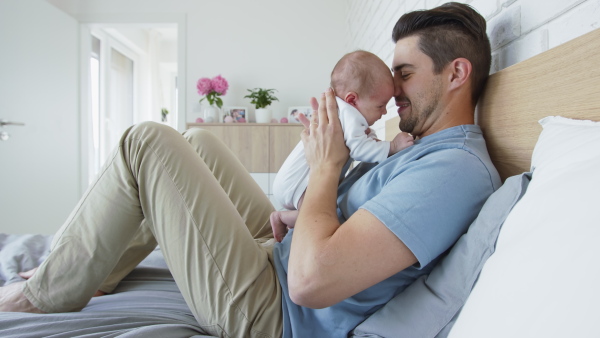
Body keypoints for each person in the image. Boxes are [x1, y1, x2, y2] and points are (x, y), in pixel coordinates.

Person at [0, 2, 500, 337]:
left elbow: (310, 283)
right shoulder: (419, 148)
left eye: (405, 76)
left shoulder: (454, 169)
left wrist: (325, 167)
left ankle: (43, 294)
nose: (393, 96)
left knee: (146, 144)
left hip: (275, 309)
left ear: (456, 73)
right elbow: (356, 228)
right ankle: (99, 272)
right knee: (197, 142)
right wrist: (301, 215)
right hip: (277, 254)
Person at [271, 50, 414, 242]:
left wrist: (375, 141)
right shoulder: (349, 115)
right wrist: (392, 146)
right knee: (322, 215)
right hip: (297, 183)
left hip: (290, 180)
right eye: (380, 106)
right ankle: (281, 217)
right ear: (352, 100)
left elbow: (362, 139)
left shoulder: (343, 112)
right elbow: (360, 149)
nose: (383, 113)